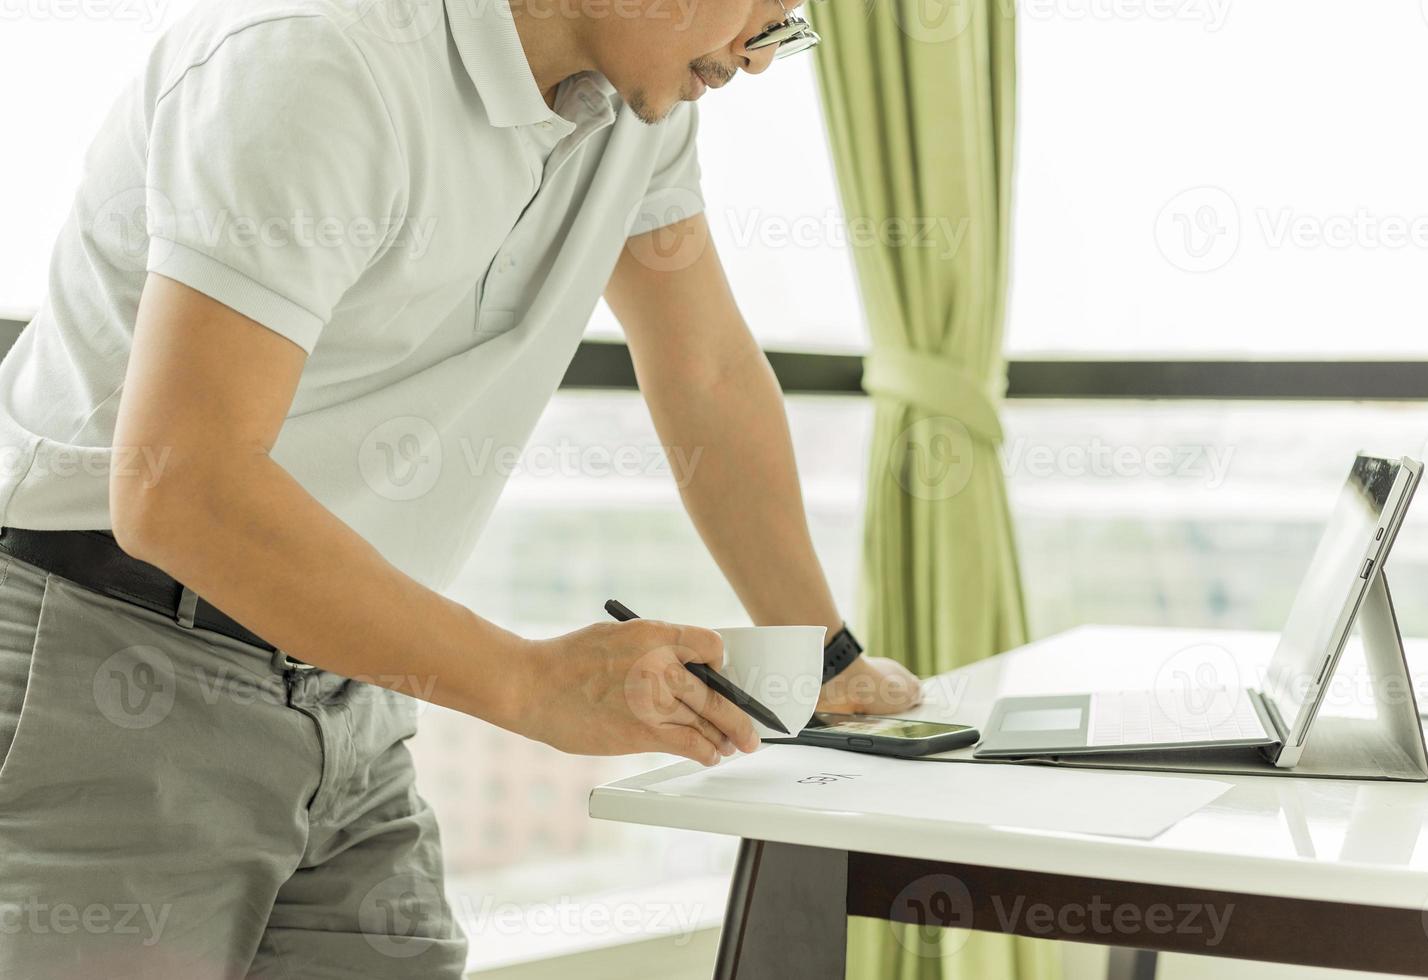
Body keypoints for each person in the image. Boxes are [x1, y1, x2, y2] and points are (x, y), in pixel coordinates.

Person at [0, 0, 923, 974]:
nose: (766, 49)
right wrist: (529, 683)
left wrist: (826, 655)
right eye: (765, 5)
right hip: (112, 664)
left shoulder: (631, 110)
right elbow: (183, 487)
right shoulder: (315, 59)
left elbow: (708, 377)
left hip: (353, 677)